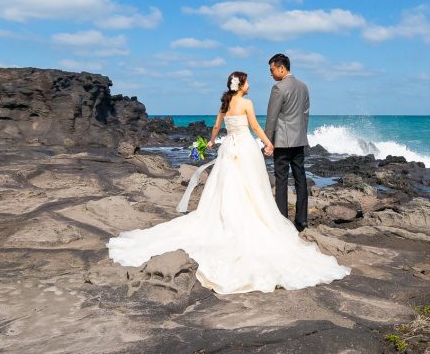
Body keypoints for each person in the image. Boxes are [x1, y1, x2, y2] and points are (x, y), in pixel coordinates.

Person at [106, 71, 350, 295]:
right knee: (252, 189)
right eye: (247, 81)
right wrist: (268, 142)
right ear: (241, 85)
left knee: (226, 188)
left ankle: (229, 219)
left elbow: (215, 126)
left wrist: (211, 142)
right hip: (244, 149)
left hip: (228, 149)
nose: (250, 84)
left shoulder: (224, 104)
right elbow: (254, 126)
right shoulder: (246, 103)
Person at [265, 53, 310, 232]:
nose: (271, 74)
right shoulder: (303, 86)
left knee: (281, 180)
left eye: (272, 69)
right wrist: (301, 133)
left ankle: (283, 220)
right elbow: (305, 114)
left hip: (282, 142)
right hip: (299, 139)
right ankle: (302, 220)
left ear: (281, 67)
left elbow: (272, 118)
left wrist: (268, 141)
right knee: (301, 178)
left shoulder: (278, 88)